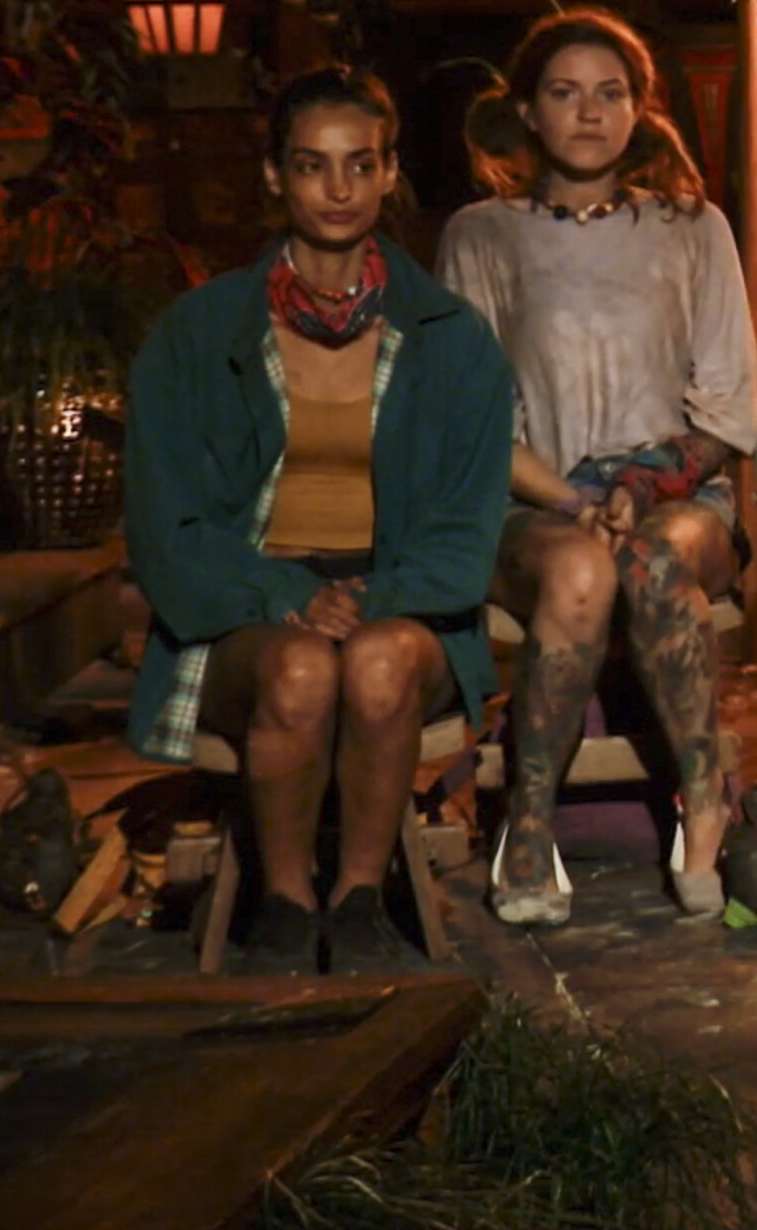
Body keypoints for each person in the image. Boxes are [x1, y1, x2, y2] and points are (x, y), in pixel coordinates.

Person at [126, 67, 514, 973]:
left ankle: (360, 899)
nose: (338, 189)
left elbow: (467, 527)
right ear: (275, 175)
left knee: (375, 663)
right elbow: (165, 523)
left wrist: (374, 596)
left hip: (400, 601)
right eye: (312, 165)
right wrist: (283, 593)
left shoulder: (452, 337)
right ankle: (287, 903)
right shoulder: (198, 332)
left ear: (389, 172)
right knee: (301, 670)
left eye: (360, 164)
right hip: (247, 605)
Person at [438, 8, 757, 928]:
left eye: (610, 93)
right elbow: (471, 419)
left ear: (639, 107)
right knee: (583, 568)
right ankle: (529, 820)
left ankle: (703, 800)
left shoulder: (692, 228)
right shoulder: (482, 234)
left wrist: (638, 485)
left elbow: (731, 408)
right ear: (527, 111)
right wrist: (574, 497)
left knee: (651, 560)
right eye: (565, 93)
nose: (589, 112)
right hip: (536, 499)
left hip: (673, 495)